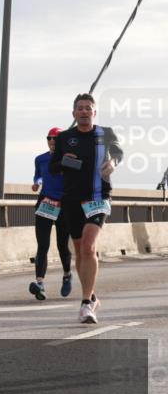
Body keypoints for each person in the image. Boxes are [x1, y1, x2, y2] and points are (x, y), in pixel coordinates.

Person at [49, 93, 123, 324]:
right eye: (80, 108)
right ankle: (91, 296)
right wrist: (64, 161)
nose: (84, 111)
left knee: (89, 248)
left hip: (99, 196)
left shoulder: (105, 133)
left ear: (94, 112)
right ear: (74, 113)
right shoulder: (64, 138)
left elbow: (119, 153)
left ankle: (85, 304)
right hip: (72, 199)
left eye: (88, 108)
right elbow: (53, 167)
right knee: (80, 252)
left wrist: (113, 163)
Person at [29, 127, 73, 300]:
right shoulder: (40, 159)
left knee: (62, 244)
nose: (52, 141)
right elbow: (38, 176)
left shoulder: (68, 159)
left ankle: (67, 274)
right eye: (49, 138)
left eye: (56, 138)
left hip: (64, 204)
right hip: (46, 202)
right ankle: (40, 283)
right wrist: (36, 183)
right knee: (43, 245)